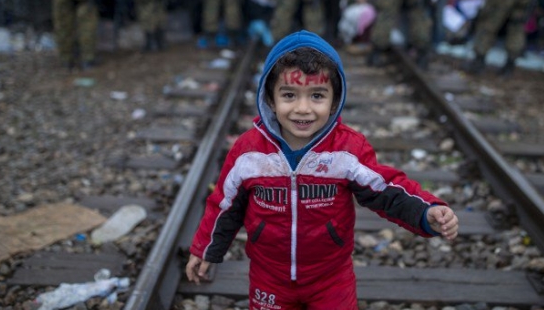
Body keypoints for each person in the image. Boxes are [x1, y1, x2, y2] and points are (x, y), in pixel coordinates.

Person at [185, 30, 459, 308]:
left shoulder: (347, 150)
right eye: (289, 95)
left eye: (317, 96)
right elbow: (224, 205)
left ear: (334, 102)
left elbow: (386, 189)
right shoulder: (249, 151)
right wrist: (206, 250)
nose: (303, 108)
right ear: (270, 98)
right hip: (269, 276)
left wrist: (426, 212)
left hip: (331, 277)